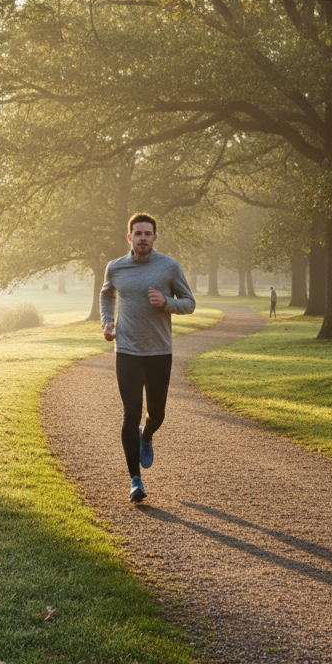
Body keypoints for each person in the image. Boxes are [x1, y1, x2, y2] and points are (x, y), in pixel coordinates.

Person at [100, 212, 196, 504]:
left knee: (157, 414)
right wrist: (107, 322)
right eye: (137, 233)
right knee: (130, 412)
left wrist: (166, 302)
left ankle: (146, 436)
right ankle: (134, 480)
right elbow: (107, 295)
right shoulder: (115, 268)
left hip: (159, 353)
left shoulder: (169, 267)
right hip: (127, 352)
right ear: (129, 237)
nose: (143, 238)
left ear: (155, 237)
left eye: (148, 233)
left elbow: (189, 303)